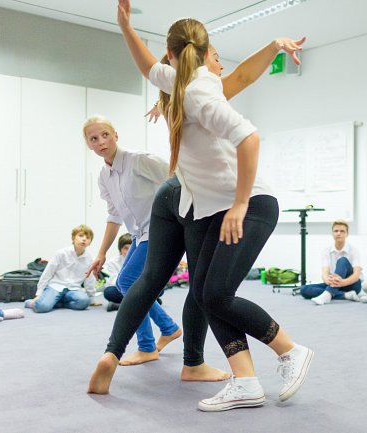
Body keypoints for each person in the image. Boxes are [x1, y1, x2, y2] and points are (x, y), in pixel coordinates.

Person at [89, 1, 313, 412]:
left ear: (172, 54)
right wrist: (124, 27)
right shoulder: (184, 86)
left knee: (215, 295)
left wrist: (241, 204)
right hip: (217, 208)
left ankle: (289, 349)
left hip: (248, 205)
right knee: (208, 295)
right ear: (198, 53)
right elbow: (163, 68)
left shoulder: (197, 92)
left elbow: (249, 136)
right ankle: (245, 382)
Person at [84, 115, 183, 366]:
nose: (101, 142)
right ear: (89, 145)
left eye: (105, 135)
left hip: (161, 231)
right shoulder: (104, 176)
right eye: (94, 139)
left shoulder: (140, 160)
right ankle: (168, 328)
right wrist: (101, 253)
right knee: (127, 284)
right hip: (140, 235)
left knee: (127, 282)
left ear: (115, 135)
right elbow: (114, 215)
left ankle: (147, 346)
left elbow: (179, 181)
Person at [25, 224, 97, 313]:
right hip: (55, 287)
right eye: (81, 236)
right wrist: (39, 293)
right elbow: (48, 273)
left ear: (90, 242)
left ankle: (56, 303)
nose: (84, 239)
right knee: (42, 307)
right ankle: (32, 303)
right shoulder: (61, 253)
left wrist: (91, 297)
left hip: (73, 290)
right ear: (73, 238)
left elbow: (89, 278)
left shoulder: (90, 258)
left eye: (88, 237)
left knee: (84, 302)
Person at [299, 220, 363, 305]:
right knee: (304, 290)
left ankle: (328, 294)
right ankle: (345, 295)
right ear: (332, 233)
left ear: (347, 234)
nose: (338, 233)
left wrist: (343, 282)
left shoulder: (353, 250)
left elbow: (356, 275)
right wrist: (329, 281)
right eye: (336, 231)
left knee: (342, 260)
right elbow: (325, 272)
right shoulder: (326, 250)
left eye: (342, 231)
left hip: (352, 284)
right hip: (335, 283)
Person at [102, 233, 132, 312]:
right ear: (120, 249)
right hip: (120, 289)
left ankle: (118, 306)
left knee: (159, 290)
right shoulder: (113, 262)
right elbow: (115, 281)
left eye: (131, 248)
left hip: (136, 289)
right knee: (108, 292)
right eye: (126, 248)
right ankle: (146, 304)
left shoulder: (141, 260)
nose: (129, 251)